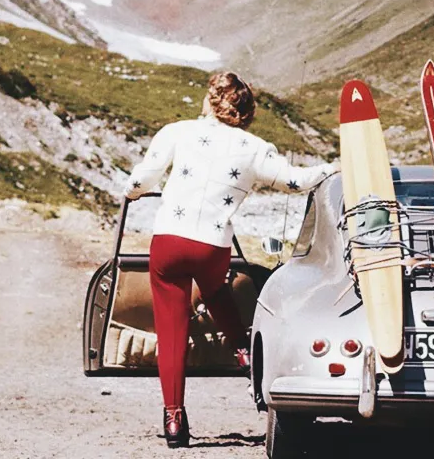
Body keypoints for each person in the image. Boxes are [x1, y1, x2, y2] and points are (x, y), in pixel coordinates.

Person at [124, 71, 337, 448]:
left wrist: (132, 192)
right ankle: (242, 350)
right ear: (246, 112)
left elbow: (145, 178)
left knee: (172, 331)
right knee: (215, 290)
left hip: (170, 241)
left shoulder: (177, 131)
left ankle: (174, 419)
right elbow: (294, 181)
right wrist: (333, 167)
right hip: (212, 246)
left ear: (210, 100)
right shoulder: (255, 148)